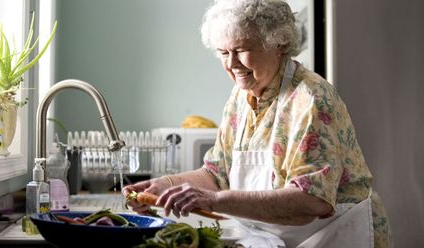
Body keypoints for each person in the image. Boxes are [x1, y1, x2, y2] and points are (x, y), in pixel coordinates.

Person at [123, 0, 392, 247]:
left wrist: (215, 201)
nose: (231, 63)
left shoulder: (310, 99)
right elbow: (217, 174)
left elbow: (311, 201)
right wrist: (162, 186)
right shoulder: (242, 96)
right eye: (223, 52)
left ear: (278, 44)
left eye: (241, 50)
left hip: (333, 237)